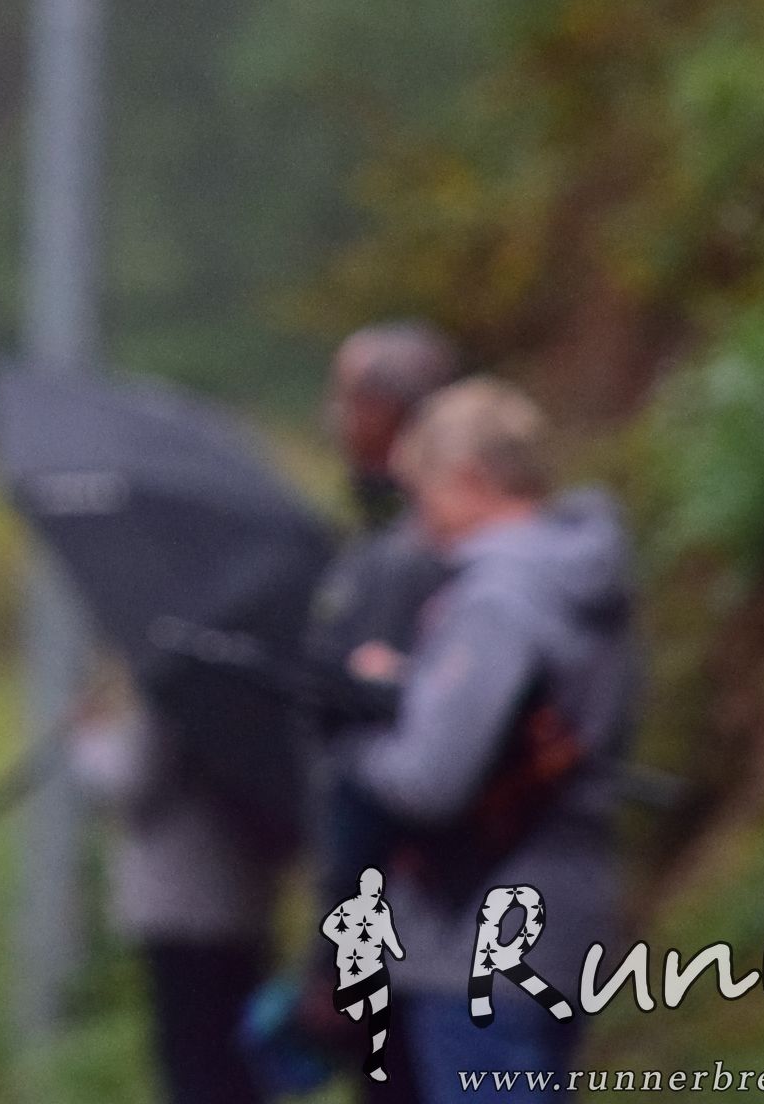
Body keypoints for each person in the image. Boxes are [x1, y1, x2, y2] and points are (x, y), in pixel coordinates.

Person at [336, 379, 637, 1093]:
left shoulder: (496, 599)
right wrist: (421, 684)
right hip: (568, 906)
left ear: (469, 479)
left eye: (426, 494)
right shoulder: (582, 574)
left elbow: (430, 778)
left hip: (479, 927)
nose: (423, 524)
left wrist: (360, 737)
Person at [294, 322, 459, 1100]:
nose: (336, 420)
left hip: (411, 921)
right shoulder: (405, 543)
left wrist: (335, 952)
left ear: (390, 414)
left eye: (348, 400)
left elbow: (370, 766)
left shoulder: (405, 558)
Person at [70, 681, 282, 1104]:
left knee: (192, 1059)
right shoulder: (256, 708)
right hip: (245, 903)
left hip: (180, 908)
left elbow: (130, 780)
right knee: (234, 1059)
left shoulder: (178, 698)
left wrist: (88, 739)